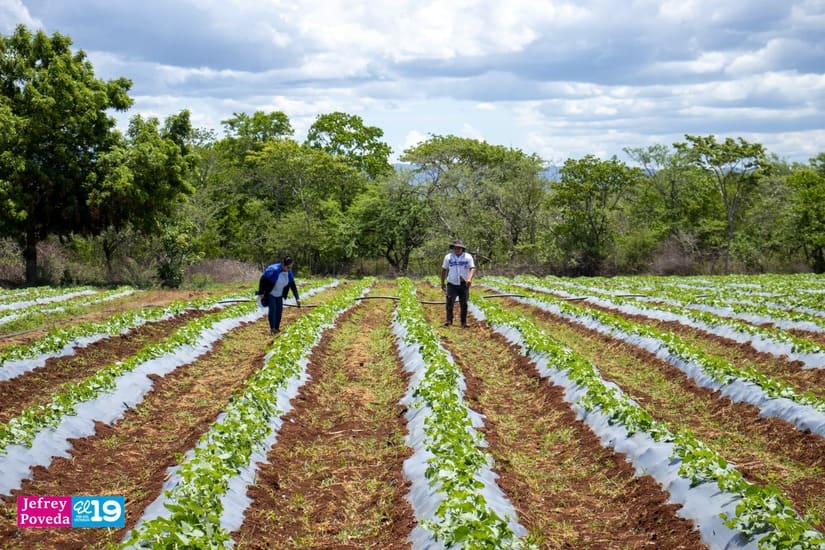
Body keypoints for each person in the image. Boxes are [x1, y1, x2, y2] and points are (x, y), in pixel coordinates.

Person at [255, 256, 301, 335]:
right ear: (283, 265)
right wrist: (261, 293)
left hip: (279, 294)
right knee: (273, 309)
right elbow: (263, 279)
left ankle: (277, 328)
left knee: (279, 311)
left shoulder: (288, 272)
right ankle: (272, 329)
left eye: (290, 267)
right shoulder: (273, 269)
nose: (289, 269)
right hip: (271, 293)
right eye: (288, 267)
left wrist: (297, 298)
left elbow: (292, 285)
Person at [440, 240, 476, 328]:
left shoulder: (468, 257)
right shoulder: (448, 257)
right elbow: (444, 269)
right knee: (449, 302)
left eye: (459, 248)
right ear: (453, 248)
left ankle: (463, 323)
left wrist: (470, 279)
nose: (457, 249)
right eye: (455, 248)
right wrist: (442, 282)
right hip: (452, 283)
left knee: (464, 303)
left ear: (462, 249)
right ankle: (449, 321)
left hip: (464, 284)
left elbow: (472, 268)